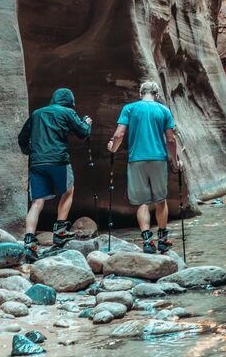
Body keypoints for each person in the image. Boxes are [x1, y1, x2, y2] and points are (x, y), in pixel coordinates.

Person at [17, 88, 92, 259]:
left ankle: (29, 241)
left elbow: (22, 137)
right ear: (70, 101)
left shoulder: (37, 114)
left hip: (37, 161)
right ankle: (60, 230)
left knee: (37, 201)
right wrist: (87, 122)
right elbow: (83, 132)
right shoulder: (68, 112)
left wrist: (30, 150)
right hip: (58, 160)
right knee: (68, 191)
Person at [107, 81, 178, 255]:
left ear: (140, 94)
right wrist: (175, 161)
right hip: (158, 160)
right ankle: (162, 240)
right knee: (161, 200)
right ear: (157, 94)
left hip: (136, 160)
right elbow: (171, 139)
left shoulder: (129, 109)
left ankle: (147, 241)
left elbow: (119, 134)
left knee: (142, 202)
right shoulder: (164, 110)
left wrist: (113, 148)